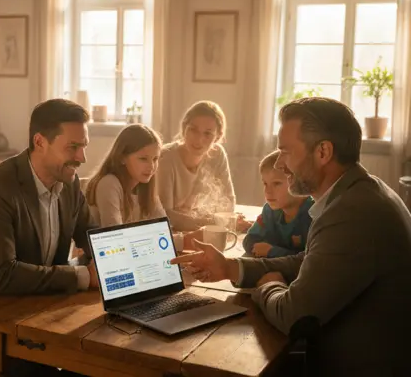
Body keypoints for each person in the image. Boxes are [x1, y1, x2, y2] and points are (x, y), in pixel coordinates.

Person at [171, 97, 411, 376]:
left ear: (323, 152)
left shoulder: (352, 212)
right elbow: (309, 261)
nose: (282, 166)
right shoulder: (360, 193)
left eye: (286, 152)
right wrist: (231, 267)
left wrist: (266, 286)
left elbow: (294, 316)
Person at [0, 98, 98, 376]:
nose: (82, 158)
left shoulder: (68, 182)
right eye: (73, 146)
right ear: (40, 142)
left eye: (83, 146)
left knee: (101, 359)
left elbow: (92, 236)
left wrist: (119, 263)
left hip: (40, 311)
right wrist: (84, 276)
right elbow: (4, 275)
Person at [84, 124, 203, 250]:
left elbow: (163, 230)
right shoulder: (109, 183)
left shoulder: (144, 186)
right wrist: (184, 241)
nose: (151, 166)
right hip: (99, 262)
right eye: (143, 159)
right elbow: (117, 239)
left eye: (155, 159)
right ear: (122, 157)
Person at [156, 100, 249, 232]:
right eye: (193, 130)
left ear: (217, 136)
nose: (199, 139)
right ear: (183, 129)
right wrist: (215, 222)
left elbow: (228, 203)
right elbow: (166, 216)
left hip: (201, 230)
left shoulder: (217, 155)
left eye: (207, 133)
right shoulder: (166, 157)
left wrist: (209, 220)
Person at [242, 150, 314, 258]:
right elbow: (250, 239)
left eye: (276, 183)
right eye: (265, 183)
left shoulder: (313, 213)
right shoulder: (269, 211)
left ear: (299, 181)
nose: (268, 191)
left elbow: (310, 258)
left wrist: (272, 251)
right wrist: (258, 248)